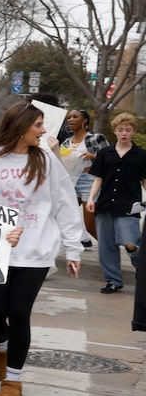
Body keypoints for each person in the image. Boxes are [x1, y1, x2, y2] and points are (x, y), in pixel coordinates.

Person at [0, 102, 84, 396]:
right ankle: (2, 344)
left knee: (19, 313)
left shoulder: (46, 159)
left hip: (36, 249)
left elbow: (64, 203)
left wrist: (73, 247)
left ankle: (13, 380)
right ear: (20, 126)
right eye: (37, 125)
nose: (43, 130)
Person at [85, 112, 146, 294]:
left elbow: (144, 181)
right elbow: (98, 179)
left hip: (129, 206)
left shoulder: (141, 155)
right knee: (107, 245)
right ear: (115, 131)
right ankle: (113, 280)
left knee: (131, 242)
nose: (124, 133)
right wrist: (90, 199)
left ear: (133, 131)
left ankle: (140, 268)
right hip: (105, 205)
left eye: (128, 129)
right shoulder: (105, 153)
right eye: (120, 130)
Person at [63, 109, 106, 245]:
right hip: (72, 181)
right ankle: (82, 239)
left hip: (90, 181)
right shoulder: (66, 143)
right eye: (69, 117)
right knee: (64, 217)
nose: (71, 119)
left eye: (75, 117)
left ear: (85, 120)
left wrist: (94, 156)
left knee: (91, 226)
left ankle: (110, 248)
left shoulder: (96, 138)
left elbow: (111, 158)